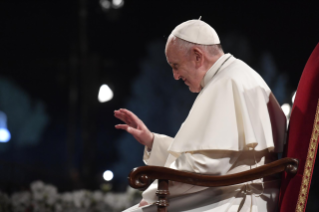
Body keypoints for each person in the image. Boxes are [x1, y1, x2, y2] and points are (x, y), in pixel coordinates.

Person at [114, 19, 286, 212]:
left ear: (197, 56)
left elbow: (204, 166)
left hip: (239, 200)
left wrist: (154, 194)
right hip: (231, 191)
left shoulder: (226, 83)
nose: (175, 76)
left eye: (176, 65)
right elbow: (212, 155)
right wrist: (153, 141)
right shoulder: (234, 75)